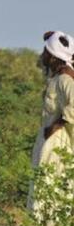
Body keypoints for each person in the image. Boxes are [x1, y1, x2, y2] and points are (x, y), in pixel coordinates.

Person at [27, 31, 74, 214]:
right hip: (49, 139)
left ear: (54, 57)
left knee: (49, 191)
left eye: (46, 52)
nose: (43, 55)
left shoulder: (65, 79)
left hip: (56, 143)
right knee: (42, 188)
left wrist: (57, 125)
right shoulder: (57, 78)